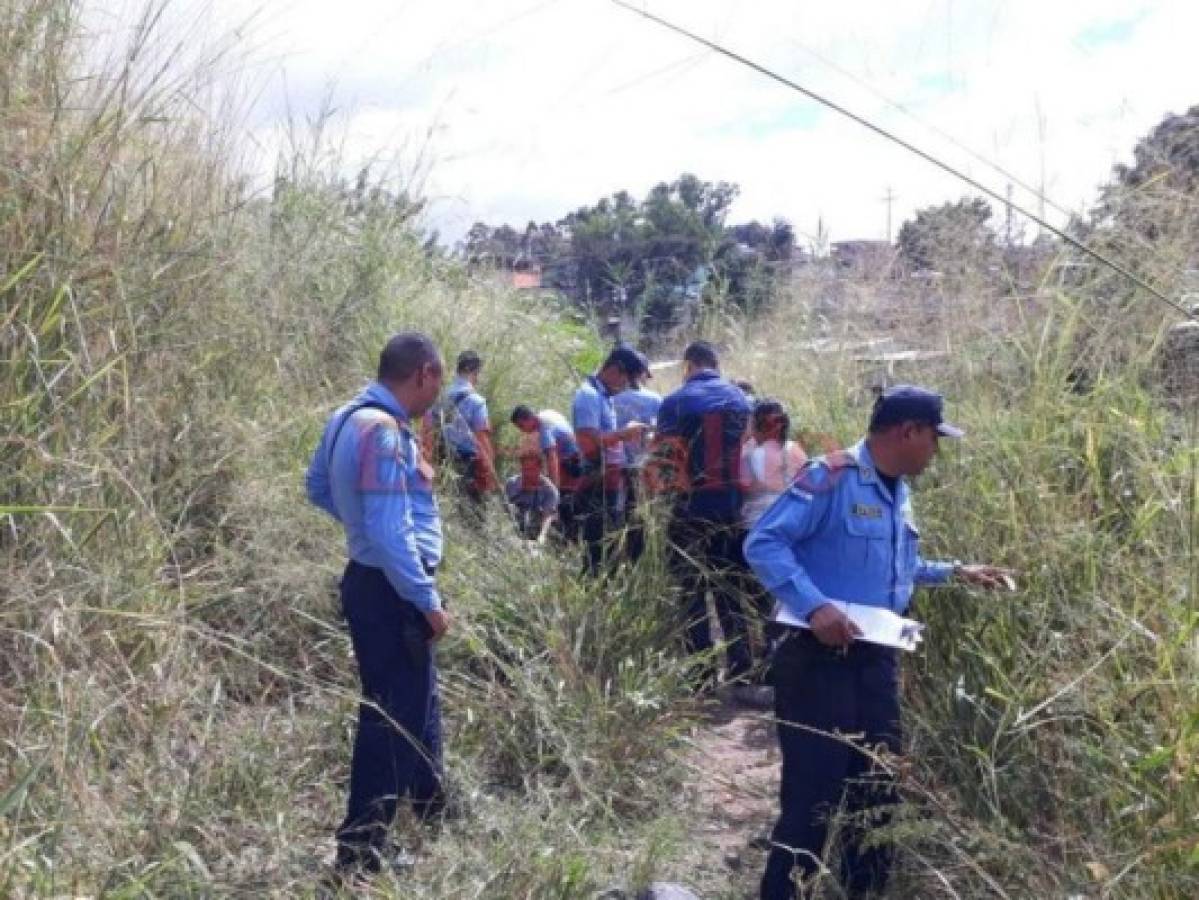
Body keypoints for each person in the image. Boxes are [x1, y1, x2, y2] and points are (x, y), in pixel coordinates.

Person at [745, 385, 1012, 899]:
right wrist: (815, 606)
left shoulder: (897, 489)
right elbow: (764, 542)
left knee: (877, 794)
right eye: (934, 438)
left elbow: (895, 569)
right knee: (812, 803)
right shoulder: (832, 477)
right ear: (907, 431)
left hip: (876, 663)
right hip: (819, 662)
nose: (936, 450)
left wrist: (956, 572)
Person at [305, 332, 452, 875]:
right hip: (393, 589)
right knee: (390, 719)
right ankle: (361, 850)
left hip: (370, 581)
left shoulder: (346, 418)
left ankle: (431, 807)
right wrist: (428, 600)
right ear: (425, 374)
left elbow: (316, 487)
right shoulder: (386, 433)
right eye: (437, 381)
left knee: (414, 701)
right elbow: (393, 535)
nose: (436, 392)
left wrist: (361, 528)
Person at [653, 340, 753, 687]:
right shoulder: (740, 399)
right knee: (730, 590)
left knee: (690, 592)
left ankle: (702, 674)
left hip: (688, 509)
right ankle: (742, 669)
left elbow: (666, 461)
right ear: (716, 363)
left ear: (688, 365)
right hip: (729, 509)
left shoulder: (674, 402)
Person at [571, 345, 648, 574]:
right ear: (614, 370)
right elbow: (588, 440)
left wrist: (625, 438)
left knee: (611, 542)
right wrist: (623, 434)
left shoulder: (604, 396)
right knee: (597, 546)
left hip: (610, 480)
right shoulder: (588, 395)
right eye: (626, 381)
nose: (625, 387)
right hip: (598, 481)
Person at [612, 351, 662, 561]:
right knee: (643, 521)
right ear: (641, 374)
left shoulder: (610, 399)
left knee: (617, 519)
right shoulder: (655, 400)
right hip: (644, 471)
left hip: (615, 470)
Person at [439, 350, 497, 502]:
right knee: (474, 512)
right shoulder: (476, 401)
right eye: (478, 372)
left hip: (443, 460)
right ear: (473, 371)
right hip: (469, 464)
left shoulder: (440, 398)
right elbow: (482, 439)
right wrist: (490, 470)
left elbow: (427, 431)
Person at [504, 455, 560, 543]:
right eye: (525, 469)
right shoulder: (512, 484)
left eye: (532, 470)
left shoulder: (550, 490)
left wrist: (542, 536)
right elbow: (505, 510)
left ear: (540, 470)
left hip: (538, 529)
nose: (528, 473)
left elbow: (548, 516)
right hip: (515, 528)